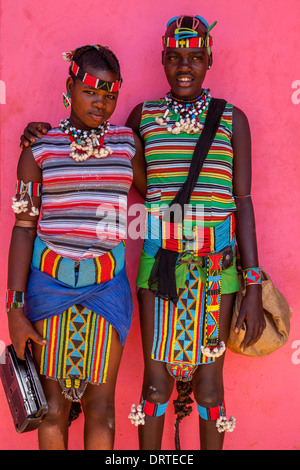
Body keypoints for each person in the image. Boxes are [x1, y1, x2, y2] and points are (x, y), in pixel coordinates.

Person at [20, 15, 266, 451]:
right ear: (161, 60)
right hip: (159, 261)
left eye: (195, 56)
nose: (184, 66)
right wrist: (39, 138)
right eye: (174, 57)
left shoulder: (231, 119)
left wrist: (251, 285)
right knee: (153, 388)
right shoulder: (142, 118)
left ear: (210, 58)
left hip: (218, 265)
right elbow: (136, 181)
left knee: (210, 391)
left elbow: (242, 202)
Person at [7, 44, 145, 450]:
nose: (100, 102)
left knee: (101, 409)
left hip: (107, 288)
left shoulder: (127, 144)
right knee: (51, 410)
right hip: (49, 287)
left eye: (110, 94)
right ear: (70, 86)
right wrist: (15, 310)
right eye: (90, 91)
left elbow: (158, 191)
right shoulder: (39, 148)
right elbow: (23, 227)